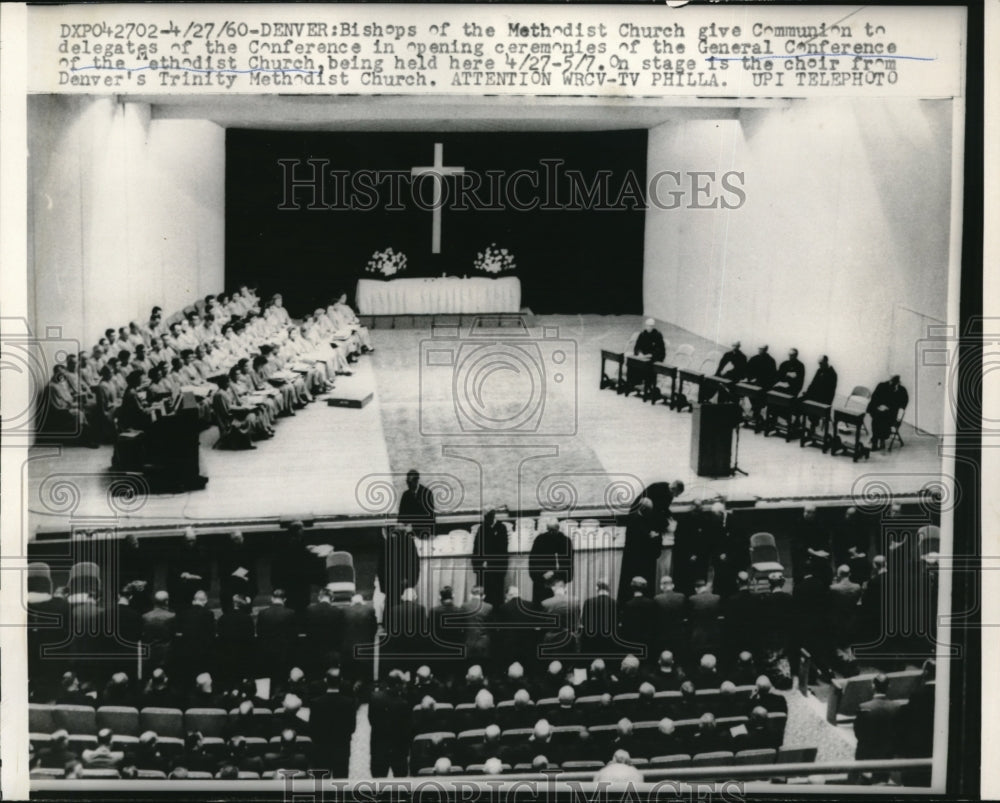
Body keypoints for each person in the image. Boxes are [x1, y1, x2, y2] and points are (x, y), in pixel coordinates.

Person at [309, 667, 357, 778]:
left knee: (321, 786)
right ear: (341, 681)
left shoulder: (316, 703)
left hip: (321, 749)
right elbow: (352, 728)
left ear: (326, 681)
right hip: (342, 748)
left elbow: (312, 728)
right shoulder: (349, 703)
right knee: (340, 784)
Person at [617, 498, 663, 606]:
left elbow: (655, 532)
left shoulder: (647, 518)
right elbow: (637, 539)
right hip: (635, 559)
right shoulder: (633, 519)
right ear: (643, 509)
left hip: (645, 558)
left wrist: (654, 536)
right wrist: (651, 536)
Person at [368, 668, 411, 777]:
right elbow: (406, 728)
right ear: (397, 685)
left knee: (378, 783)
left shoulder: (374, 698)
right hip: (398, 749)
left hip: (379, 747)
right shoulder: (403, 703)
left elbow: (371, 720)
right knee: (401, 784)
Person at [528, 518, 574, 604]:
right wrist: (542, 573)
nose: (552, 533)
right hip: (542, 582)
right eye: (550, 530)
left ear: (558, 528)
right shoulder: (540, 540)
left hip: (558, 582)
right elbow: (533, 562)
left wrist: (555, 573)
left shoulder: (565, 541)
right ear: (547, 528)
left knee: (558, 607)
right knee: (541, 608)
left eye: (554, 530)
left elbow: (569, 564)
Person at [471, 509, 509, 608]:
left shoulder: (501, 528)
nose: (485, 520)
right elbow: (476, 548)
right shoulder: (482, 529)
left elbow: (502, 549)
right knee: (484, 597)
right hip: (484, 570)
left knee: (497, 597)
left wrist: (490, 562)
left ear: (493, 516)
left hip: (497, 569)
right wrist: (478, 565)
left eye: (487, 517)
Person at [620, 577, 659, 662]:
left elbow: (625, 627)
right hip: (647, 642)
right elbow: (655, 625)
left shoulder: (628, 605)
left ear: (632, 587)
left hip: (632, 642)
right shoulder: (651, 604)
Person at [868, 374, 909, 450]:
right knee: (878, 416)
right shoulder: (882, 386)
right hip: (878, 410)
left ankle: (877, 439)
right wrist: (879, 406)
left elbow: (903, 404)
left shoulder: (901, 390)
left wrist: (888, 408)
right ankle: (876, 440)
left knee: (881, 418)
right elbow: (874, 398)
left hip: (891, 413)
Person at [398, 470, 436, 538]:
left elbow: (430, 516)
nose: (408, 484)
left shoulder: (427, 493)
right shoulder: (405, 495)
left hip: (424, 533)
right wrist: (401, 525)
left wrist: (432, 533)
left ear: (416, 481)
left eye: (410, 482)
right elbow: (401, 515)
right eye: (407, 482)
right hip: (409, 533)